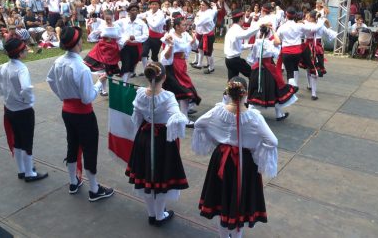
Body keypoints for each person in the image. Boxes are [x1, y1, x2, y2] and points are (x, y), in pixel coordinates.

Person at [192, 77, 278, 238]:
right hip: (244, 163)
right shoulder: (254, 117)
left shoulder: (217, 111)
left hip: (221, 159)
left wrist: (215, 140)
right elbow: (272, 141)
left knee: (221, 198)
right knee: (240, 200)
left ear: (227, 93)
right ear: (245, 94)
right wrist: (256, 148)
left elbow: (198, 124)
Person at [46, 26, 114, 201]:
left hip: (67, 110)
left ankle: (73, 182)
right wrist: (99, 83)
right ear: (77, 43)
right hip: (83, 114)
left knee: (72, 145)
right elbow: (87, 97)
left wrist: (62, 94)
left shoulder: (59, 61)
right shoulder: (81, 68)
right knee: (89, 148)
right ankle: (94, 188)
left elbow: (50, 80)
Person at [125, 62, 189, 227]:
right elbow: (177, 114)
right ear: (165, 77)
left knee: (147, 176)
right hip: (162, 141)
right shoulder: (168, 96)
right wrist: (181, 120)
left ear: (147, 76)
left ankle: (152, 213)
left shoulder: (140, 94)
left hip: (144, 138)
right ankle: (159, 216)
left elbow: (136, 118)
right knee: (161, 178)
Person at [0, 38, 48, 182]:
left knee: (18, 140)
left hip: (9, 109)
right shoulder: (21, 68)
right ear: (20, 54)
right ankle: (29, 174)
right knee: (27, 141)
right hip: (23, 110)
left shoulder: (4, 67)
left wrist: (3, 94)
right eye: (25, 49)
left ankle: (22, 170)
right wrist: (29, 100)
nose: (27, 50)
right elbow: (26, 88)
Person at [247, 24, 297, 121]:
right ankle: (278, 114)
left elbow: (252, 58)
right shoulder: (269, 43)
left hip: (257, 69)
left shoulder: (256, 42)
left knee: (256, 90)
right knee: (275, 91)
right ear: (269, 33)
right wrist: (274, 30)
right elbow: (278, 42)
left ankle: (251, 111)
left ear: (260, 32)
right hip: (269, 69)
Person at [160, 16, 201, 127]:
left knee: (181, 91)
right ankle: (183, 117)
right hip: (173, 67)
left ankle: (181, 115)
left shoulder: (185, 35)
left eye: (185, 25)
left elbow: (194, 45)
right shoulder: (171, 36)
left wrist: (193, 39)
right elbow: (167, 51)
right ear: (177, 26)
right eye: (183, 25)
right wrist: (170, 44)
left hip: (181, 65)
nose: (185, 26)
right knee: (183, 91)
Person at [276, 7, 319, 88]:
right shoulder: (299, 26)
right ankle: (294, 85)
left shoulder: (282, 27)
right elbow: (313, 28)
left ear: (286, 15)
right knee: (295, 68)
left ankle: (292, 88)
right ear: (295, 15)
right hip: (297, 52)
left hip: (287, 52)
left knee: (289, 72)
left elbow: (276, 39)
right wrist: (319, 20)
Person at [83, 10, 122, 96]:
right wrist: (92, 32)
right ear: (104, 18)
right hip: (102, 48)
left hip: (112, 50)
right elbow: (93, 35)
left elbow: (120, 37)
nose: (108, 21)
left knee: (109, 71)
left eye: (109, 19)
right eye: (106, 19)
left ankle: (102, 88)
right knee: (102, 70)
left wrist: (121, 47)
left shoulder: (117, 26)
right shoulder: (102, 26)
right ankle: (102, 89)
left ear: (112, 17)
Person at [300, 10, 337, 100]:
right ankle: (313, 93)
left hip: (308, 47)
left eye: (308, 16)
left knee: (310, 67)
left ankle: (310, 87)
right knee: (314, 69)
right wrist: (326, 24)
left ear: (312, 17)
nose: (306, 18)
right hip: (316, 48)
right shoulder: (318, 25)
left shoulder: (306, 24)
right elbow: (330, 34)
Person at [223, 8, 261, 80]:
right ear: (240, 19)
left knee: (232, 80)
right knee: (253, 75)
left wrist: (251, 45)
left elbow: (239, 46)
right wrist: (259, 26)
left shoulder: (233, 29)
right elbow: (246, 34)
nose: (244, 20)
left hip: (229, 60)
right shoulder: (236, 29)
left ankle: (230, 91)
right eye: (243, 18)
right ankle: (253, 91)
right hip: (234, 60)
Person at [117, 3, 149, 82]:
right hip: (125, 46)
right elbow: (115, 28)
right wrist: (123, 39)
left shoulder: (141, 23)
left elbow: (146, 35)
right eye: (132, 10)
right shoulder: (123, 21)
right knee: (126, 64)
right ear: (128, 12)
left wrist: (136, 38)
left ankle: (126, 81)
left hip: (136, 47)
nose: (134, 12)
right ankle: (124, 83)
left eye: (136, 10)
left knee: (131, 65)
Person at [139, 0, 167, 69]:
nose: (154, 6)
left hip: (157, 38)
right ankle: (146, 69)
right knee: (144, 53)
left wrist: (147, 18)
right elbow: (139, 16)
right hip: (149, 36)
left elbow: (154, 25)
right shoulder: (148, 12)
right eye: (152, 4)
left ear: (158, 5)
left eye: (156, 4)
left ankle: (156, 70)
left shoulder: (161, 14)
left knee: (154, 56)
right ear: (150, 5)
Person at [191, 0, 217, 74]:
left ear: (207, 6)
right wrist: (214, 5)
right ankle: (200, 64)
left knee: (209, 52)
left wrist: (196, 19)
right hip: (204, 34)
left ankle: (211, 68)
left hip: (208, 35)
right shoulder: (206, 11)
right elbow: (215, 10)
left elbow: (198, 23)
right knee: (200, 49)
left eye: (203, 5)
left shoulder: (207, 14)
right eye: (201, 4)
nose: (201, 6)